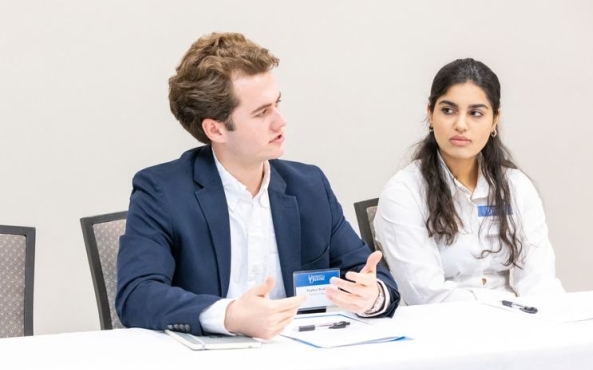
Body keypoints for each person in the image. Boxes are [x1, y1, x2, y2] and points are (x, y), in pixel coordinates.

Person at [116, 32, 400, 339]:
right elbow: (137, 295)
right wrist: (229, 315)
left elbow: (368, 272)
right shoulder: (162, 192)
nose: (280, 122)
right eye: (261, 113)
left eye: (276, 104)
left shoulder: (309, 187)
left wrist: (372, 296)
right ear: (216, 129)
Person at [373, 58, 564, 305]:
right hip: (442, 332)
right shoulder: (403, 193)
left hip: (518, 329)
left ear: (495, 120)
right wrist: (507, 306)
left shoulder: (517, 186)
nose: (461, 125)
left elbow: (539, 282)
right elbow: (426, 296)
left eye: (476, 113)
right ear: (430, 114)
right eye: (448, 110)